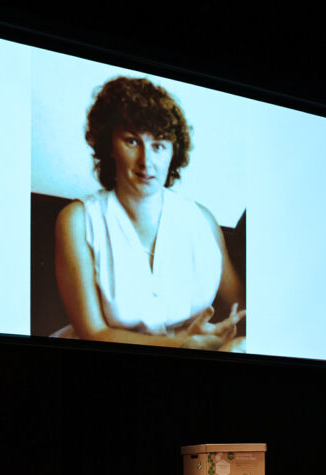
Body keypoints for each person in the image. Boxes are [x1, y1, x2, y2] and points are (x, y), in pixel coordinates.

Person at [54, 75, 246, 351]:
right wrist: (183, 345)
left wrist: (228, 336)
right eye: (132, 142)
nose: (147, 161)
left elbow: (242, 305)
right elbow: (93, 332)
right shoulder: (77, 220)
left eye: (158, 145)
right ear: (109, 146)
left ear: (172, 152)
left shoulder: (201, 220)